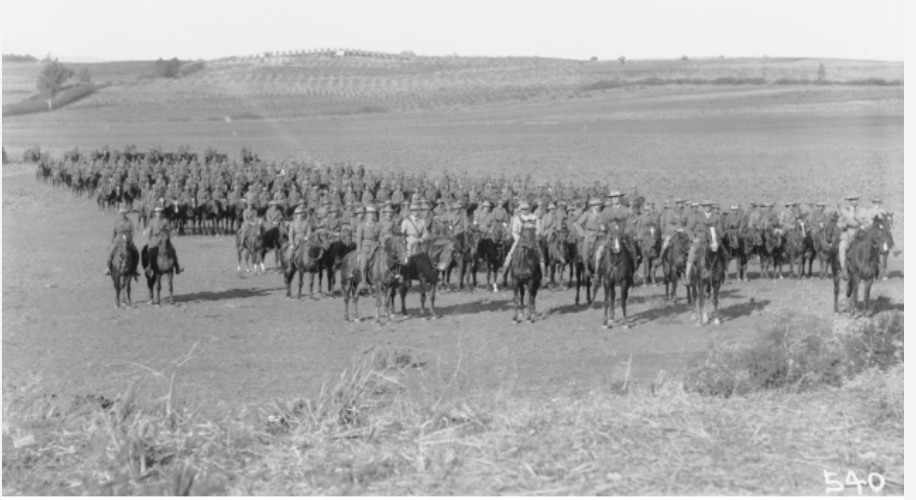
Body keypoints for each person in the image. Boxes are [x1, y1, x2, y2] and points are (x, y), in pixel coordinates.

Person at [502, 201, 546, 279]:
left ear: (528, 209)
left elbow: (538, 230)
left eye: (526, 209)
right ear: (520, 210)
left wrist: (533, 237)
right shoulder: (517, 219)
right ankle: (503, 274)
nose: (524, 210)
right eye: (523, 209)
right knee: (510, 254)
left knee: (541, 256)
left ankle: (544, 275)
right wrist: (518, 239)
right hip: (520, 239)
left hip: (532, 240)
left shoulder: (535, 218)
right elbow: (514, 231)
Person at [837, 193, 870, 280]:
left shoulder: (864, 211)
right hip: (847, 234)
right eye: (852, 200)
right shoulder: (844, 211)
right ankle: (844, 271)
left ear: (858, 201)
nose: (854, 202)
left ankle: (869, 270)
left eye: (855, 200)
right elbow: (839, 223)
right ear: (849, 201)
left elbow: (868, 222)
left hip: (860, 234)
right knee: (842, 247)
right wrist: (843, 225)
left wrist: (864, 226)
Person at [684, 201, 719, 279]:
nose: (707, 208)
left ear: (711, 207)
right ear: (703, 207)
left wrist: (717, 239)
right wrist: (693, 238)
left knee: (723, 253)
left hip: (713, 239)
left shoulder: (716, 216)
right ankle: (687, 275)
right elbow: (688, 228)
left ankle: (723, 274)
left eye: (708, 206)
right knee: (692, 252)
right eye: (705, 206)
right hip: (700, 239)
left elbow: (719, 229)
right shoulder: (697, 216)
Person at [146, 205, 184, 275]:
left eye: (160, 212)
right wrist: (148, 232)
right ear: (155, 213)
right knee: (151, 251)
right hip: (155, 239)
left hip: (164, 238)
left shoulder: (165, 220)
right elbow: (149, 231)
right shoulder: (151, 221)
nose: (158, 213)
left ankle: (177, 266)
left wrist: (170, 231)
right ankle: (149, 266)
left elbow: (170, 229)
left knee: (173, 250)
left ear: (162, 213)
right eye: (157, 212)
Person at [104, 203, 140, 277]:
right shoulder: (117, 221)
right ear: (120, 214)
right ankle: (108, 267)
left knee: (136, 252)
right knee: (111, 252)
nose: (123, 214)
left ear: (126, 214)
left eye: (124, 213)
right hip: (118, 239)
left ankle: (134, 268)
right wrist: (112, 241)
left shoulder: (129, 221)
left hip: (127, 239)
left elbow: (132, 231)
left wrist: (130, 238)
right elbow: (114, 231)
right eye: (122, 213)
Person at [355, 204, 382, 292]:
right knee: (363, 264)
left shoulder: (378, 225)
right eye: (369, 213)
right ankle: (363, 282)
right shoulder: (361, 225)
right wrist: (359, 252)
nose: (371, 215)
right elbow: (358, 239)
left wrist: (381, 243)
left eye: (373, 213)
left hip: (376, 247)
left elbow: (380, 237)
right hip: (365, 248)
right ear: (366, 214)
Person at [573, 198, 604, 274]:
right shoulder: (587, 214)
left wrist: (603, 227)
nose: (598, 206)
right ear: (592, 206)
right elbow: (577, 224)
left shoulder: (601, 214)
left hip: (600, 235)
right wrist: (583, 235)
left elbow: (603, 224)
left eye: (599, 204)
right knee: (585, 252)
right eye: (596, 204)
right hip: (589, 235)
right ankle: (586, 269)